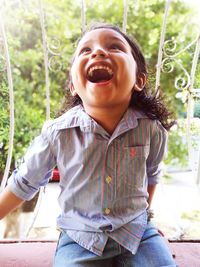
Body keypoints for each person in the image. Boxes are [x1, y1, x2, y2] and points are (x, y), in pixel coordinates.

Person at [0, 23, 177, 267]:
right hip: (79, 238)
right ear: (73, 86)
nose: (98, 52)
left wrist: (146, 220)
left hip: (138, 233)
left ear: (139, 80)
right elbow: (24, 182)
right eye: (85, 50)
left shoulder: (151, 129)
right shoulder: (57, 134)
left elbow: (152, 173)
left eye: (115, 47)